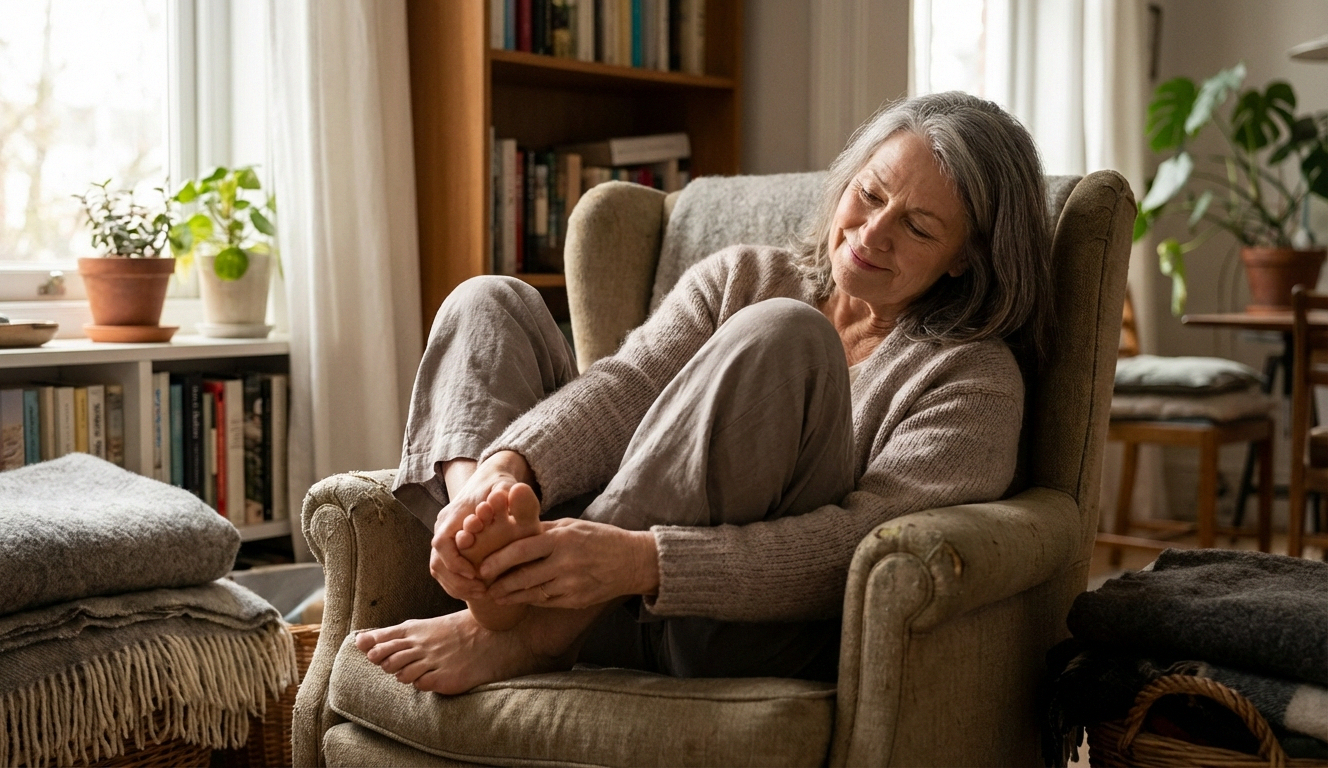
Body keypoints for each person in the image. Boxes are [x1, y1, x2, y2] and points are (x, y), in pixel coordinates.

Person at [354, 91, 1055, 695]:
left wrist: (638, 561)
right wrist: (500, 477)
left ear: (967, 257)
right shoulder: (744, 273)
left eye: (918, 226)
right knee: (488, 301)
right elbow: (627, 387)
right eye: (870, 194)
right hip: (580, 572)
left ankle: (536, 627)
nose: (871, 233)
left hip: (728, 625)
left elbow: (856, 546)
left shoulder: (974, 381)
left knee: (787, 334)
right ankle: (489, 559)